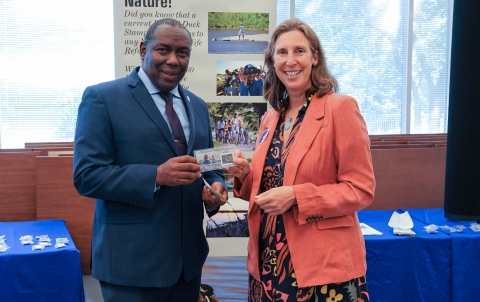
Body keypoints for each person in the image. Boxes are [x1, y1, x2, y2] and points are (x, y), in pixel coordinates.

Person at [73, 18, 228, 302]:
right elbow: (87, 176)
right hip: (131, 265)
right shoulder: (102, 98)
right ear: (143, 49)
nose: (173, 60)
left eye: (182, 53)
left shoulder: (198, 105)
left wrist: (216, 189)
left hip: (187, 265)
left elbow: (210, 167)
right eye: (163, 50)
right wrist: (155, 176)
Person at [226, 18, 375, 302]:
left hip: (321, 270)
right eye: (282, 52)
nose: (290, 60)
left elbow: (361, 189)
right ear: (272, 61)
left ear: (315, 57)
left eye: (299, 51)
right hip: (266, 264)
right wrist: (246, 175)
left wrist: (297, 196)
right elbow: (267, 188)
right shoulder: (271, 117)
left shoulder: (340, 108)